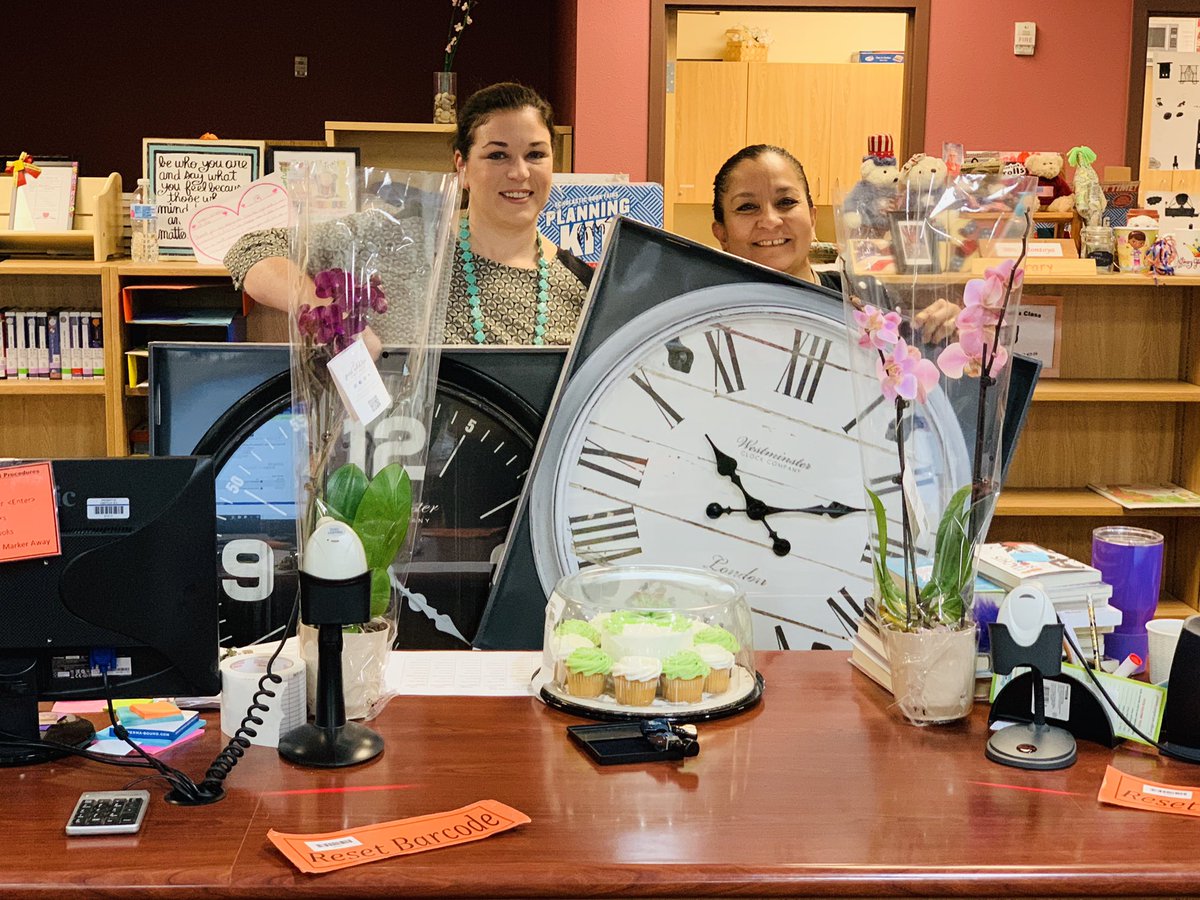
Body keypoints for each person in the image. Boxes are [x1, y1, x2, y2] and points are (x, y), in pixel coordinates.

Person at [224, 82, 590, 347]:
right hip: (403, 451)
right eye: (497, 155)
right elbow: (251, 249)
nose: (520, 173)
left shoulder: (581, 288)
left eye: (536, 155)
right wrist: (328, 314)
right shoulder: (398, 240)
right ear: (461, 166)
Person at [710, 144, 956, 341]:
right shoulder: (700, 316)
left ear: (812, 217)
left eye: (786, 202)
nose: (770, 221)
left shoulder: (863, 297)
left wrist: (942, 333)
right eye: (747, 207)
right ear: (721, 233)